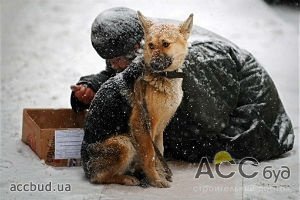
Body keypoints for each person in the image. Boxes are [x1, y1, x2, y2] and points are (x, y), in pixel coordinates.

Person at [71, 7, 294, 176]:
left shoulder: (190, 61)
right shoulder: (148, 48)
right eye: (110, 61)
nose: (116, 65)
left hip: (256, 128)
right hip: (216, 113)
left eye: (120, 59)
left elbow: (209, 122)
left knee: (158, 137)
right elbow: (123, 79)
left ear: (138, 45)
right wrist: (92, 87)